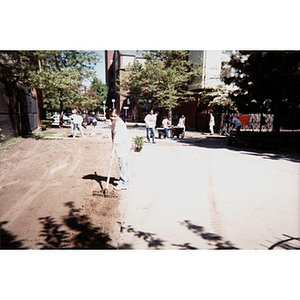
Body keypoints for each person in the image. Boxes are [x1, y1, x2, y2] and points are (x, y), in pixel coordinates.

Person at [109, 108, 131, 191]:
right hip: (122, 144)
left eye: (114, 116)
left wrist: (112, 152)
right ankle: (127, 180)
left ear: (118, 116)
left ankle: (123, 183)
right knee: (125, 164)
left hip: (123, 145)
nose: (113, 118)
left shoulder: (119, 125)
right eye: (111, 116)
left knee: (122, 164)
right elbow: (112, 135)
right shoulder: (114, 123)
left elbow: (116, 140)